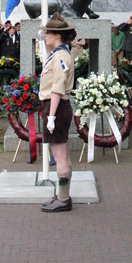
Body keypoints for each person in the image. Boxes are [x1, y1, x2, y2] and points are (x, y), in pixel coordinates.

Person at [39, 13, 76, 213]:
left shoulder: (61, 56)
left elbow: (57, 87)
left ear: (57, 36)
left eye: (48, 33)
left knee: (60, 155)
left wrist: (51, 115)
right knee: (62, 153)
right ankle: (63, 195)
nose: (45, 36)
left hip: (56, 106)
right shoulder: (59, 53)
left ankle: (63, 199)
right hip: (57, 106)